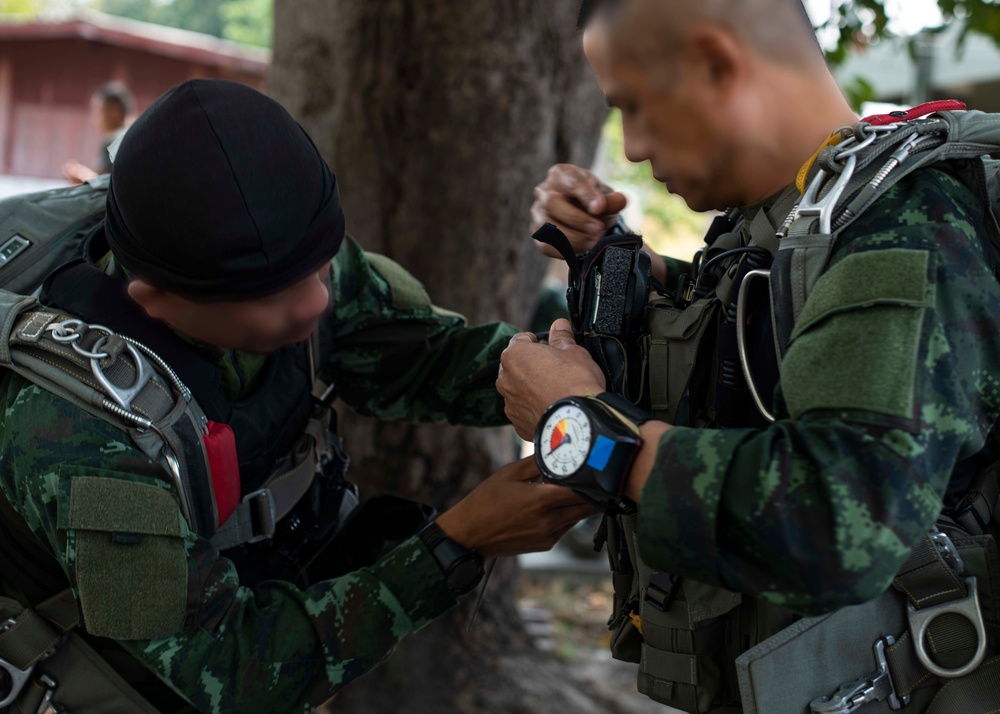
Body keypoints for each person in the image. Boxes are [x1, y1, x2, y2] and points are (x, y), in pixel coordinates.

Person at [0, 79, 593, 713]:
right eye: (275, 296)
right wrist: (458, 543)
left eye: (319, 264)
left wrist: (578, 372)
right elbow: (231, 673)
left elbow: (431, 359)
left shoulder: (279, 254)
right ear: (155, 301)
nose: (316, 300)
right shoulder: (78, 433)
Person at [499, 0, 1000, 711]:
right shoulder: (782, 228)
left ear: (717, 62)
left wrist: (577, 429)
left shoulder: (910, 226)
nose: (634, 146)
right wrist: (615, 261)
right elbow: (753, 338)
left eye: (635, 105)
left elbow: (832, 523)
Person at [62, 81, 134, 184]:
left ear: (114, 111)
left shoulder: (115, 141)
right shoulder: (134, 134)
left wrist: (82, 175)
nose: (94, 119)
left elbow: (108, 188)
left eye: (98, 112)